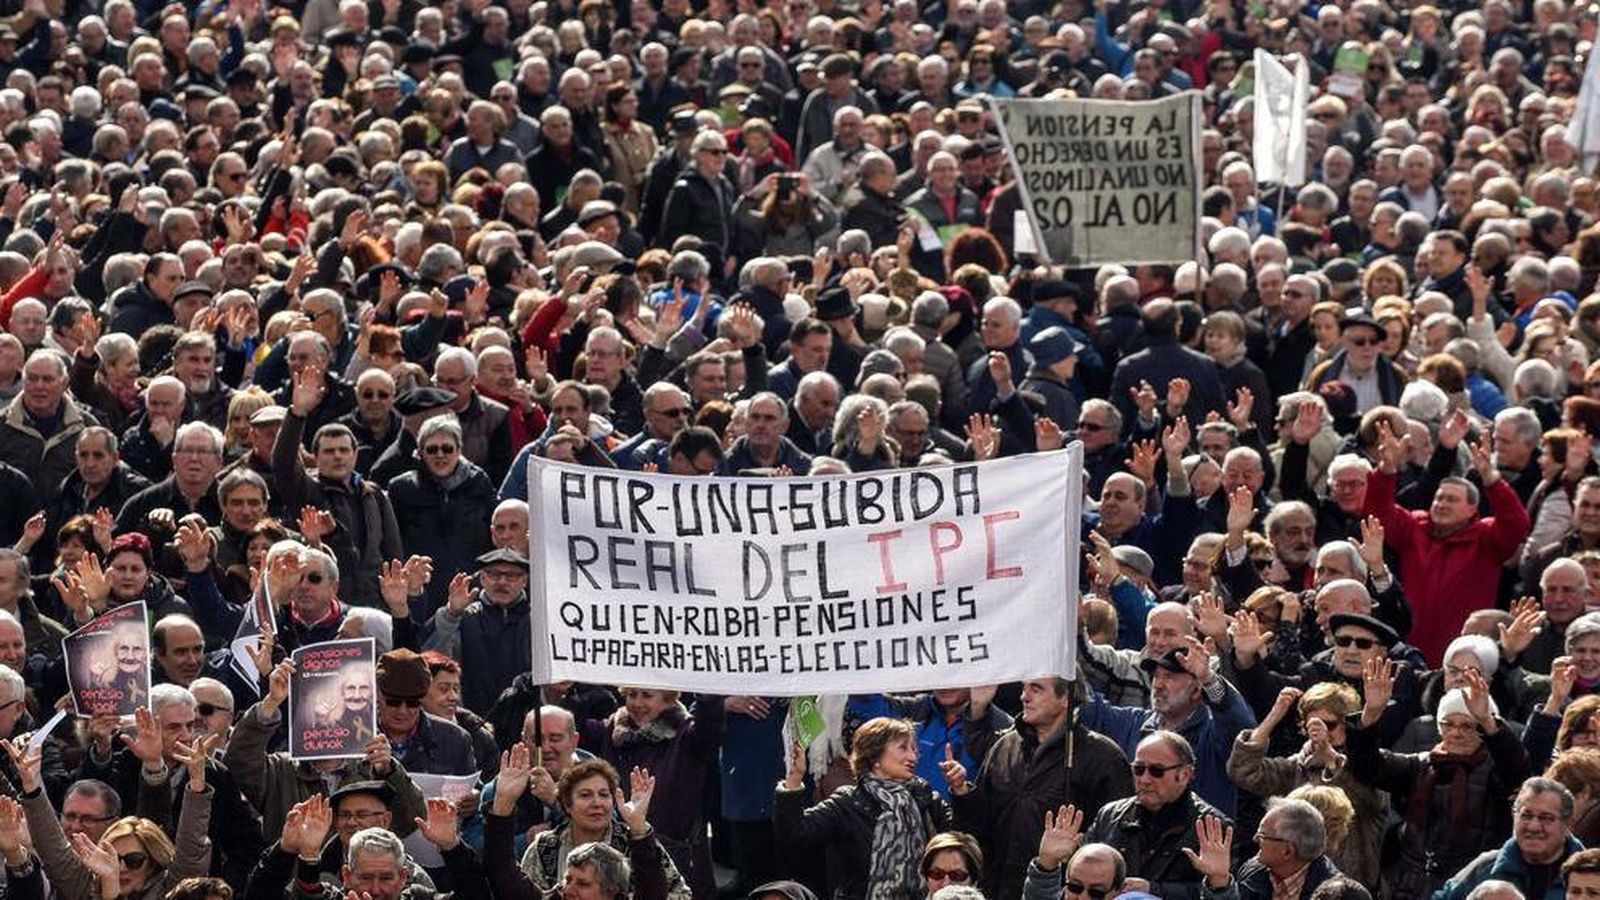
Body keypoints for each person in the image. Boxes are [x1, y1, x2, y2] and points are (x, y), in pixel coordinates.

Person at [775, 717, 953, 900]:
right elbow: (796, 835)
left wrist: (960, 790)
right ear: (874, 756)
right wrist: (794, 780)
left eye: (914, 749)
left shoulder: (926, 798)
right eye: (903, 748)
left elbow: (967, 838)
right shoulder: (848, 803)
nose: (913, 757)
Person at [484, 749, 687, 900]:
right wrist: (503, 804)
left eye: (604, 795)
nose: (597, 803)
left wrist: (639, 829)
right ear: (567, 805)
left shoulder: (637, 843)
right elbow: (506, 880)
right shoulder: (545, 848)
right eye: (585, 795)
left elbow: (668, 894)